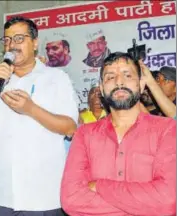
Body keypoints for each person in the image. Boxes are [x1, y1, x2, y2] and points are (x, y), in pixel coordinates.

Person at [0, 16, 78, 216]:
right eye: (7, 40)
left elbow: (70, 128)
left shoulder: (56, 79)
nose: (12, 45)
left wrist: (31, 109)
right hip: (6, 195)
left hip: (43, 196)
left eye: (19, 39)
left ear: (35, 42)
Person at [61, 52, 176, 215]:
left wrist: (99, 186)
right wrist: (144, 206)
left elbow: (168, 201)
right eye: (109, 77)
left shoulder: (167, 130)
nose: (119, 81)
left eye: (127, 75)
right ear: (101, 88)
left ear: (142, 84)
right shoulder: (84, 134)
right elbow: (71, 199)